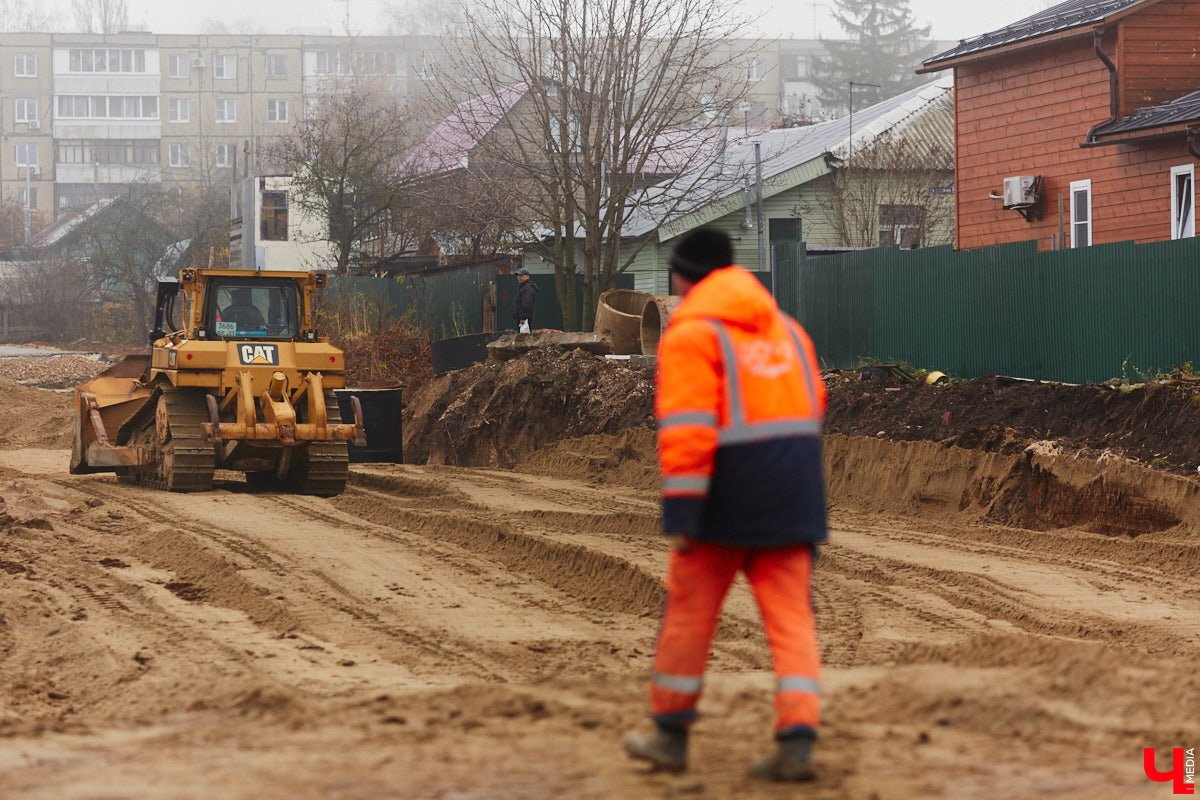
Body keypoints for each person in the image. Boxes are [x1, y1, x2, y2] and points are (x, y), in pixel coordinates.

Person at [624, 228, 828, 782]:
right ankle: (798, 743)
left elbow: (688, 429)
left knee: (689, 613)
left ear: (680, 279)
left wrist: (684, 512)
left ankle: (669, 736)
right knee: (792, 619)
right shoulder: (788, 330)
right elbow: (814, 403)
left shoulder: (692, 334)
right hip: (795, 491)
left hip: (725, 495)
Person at [513, 267, 537, 334]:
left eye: (521, 275)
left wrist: (523, 317)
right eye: (518, 276)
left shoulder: (528, 288)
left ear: (527, 276)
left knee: (524, 337)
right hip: (522, 318)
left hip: (525, 319)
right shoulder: (524, 287)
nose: (519, 277)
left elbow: (527, 303)